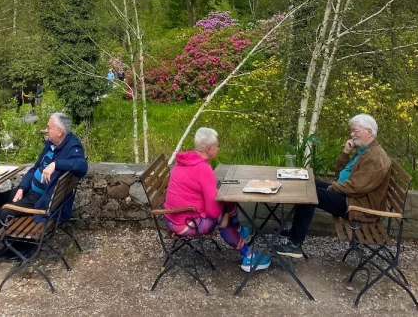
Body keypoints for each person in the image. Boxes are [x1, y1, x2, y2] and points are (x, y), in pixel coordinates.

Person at [276, 114, 391, 258]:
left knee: (311, 193)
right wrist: (346, 153)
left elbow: (356, 187)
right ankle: (295, 232)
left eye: (355, 131)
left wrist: (332, 188)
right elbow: (341, 173)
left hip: (358, 205)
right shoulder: (364, 151)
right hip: (348, 194)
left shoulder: (376, 158)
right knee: (307, 184)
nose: (351, 134)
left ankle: (294, 244)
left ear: (368, 131)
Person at [164, 127, 271, 272]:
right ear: (209, 149)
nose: (218, 148)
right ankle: (248, 256)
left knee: (226, 201)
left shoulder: (185, 160)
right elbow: (213, 213)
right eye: (217, 146)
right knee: (223, 217)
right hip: (185, 223)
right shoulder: (203, 168)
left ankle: (239, 230)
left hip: (171, 216)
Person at [0, 112, 88, 260]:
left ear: (60, 131)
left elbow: (82, 165)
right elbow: (35, 168)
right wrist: (22, 188)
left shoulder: (72, 146)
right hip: (30, 191)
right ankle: (10, 245)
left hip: (42, 199)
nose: (46, 130)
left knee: (3, 212)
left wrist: (56, 164)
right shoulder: (51, 145)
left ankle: (21, 249)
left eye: (49, 128)